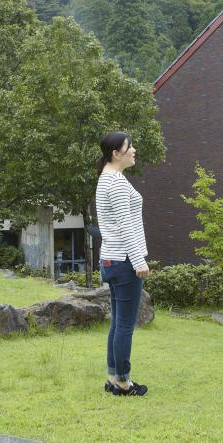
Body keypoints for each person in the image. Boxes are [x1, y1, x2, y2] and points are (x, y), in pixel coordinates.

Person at [95, 131, 149, 396]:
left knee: (118, 323)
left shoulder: (108, 177)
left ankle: (112, 378)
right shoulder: (115, 181)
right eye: (130, 146)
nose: (134, 150)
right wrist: (139, 260)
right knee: (125, 325)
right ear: (117, 153)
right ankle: (124, 383)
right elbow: (124, 226)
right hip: (124, 260)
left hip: (112, 259)